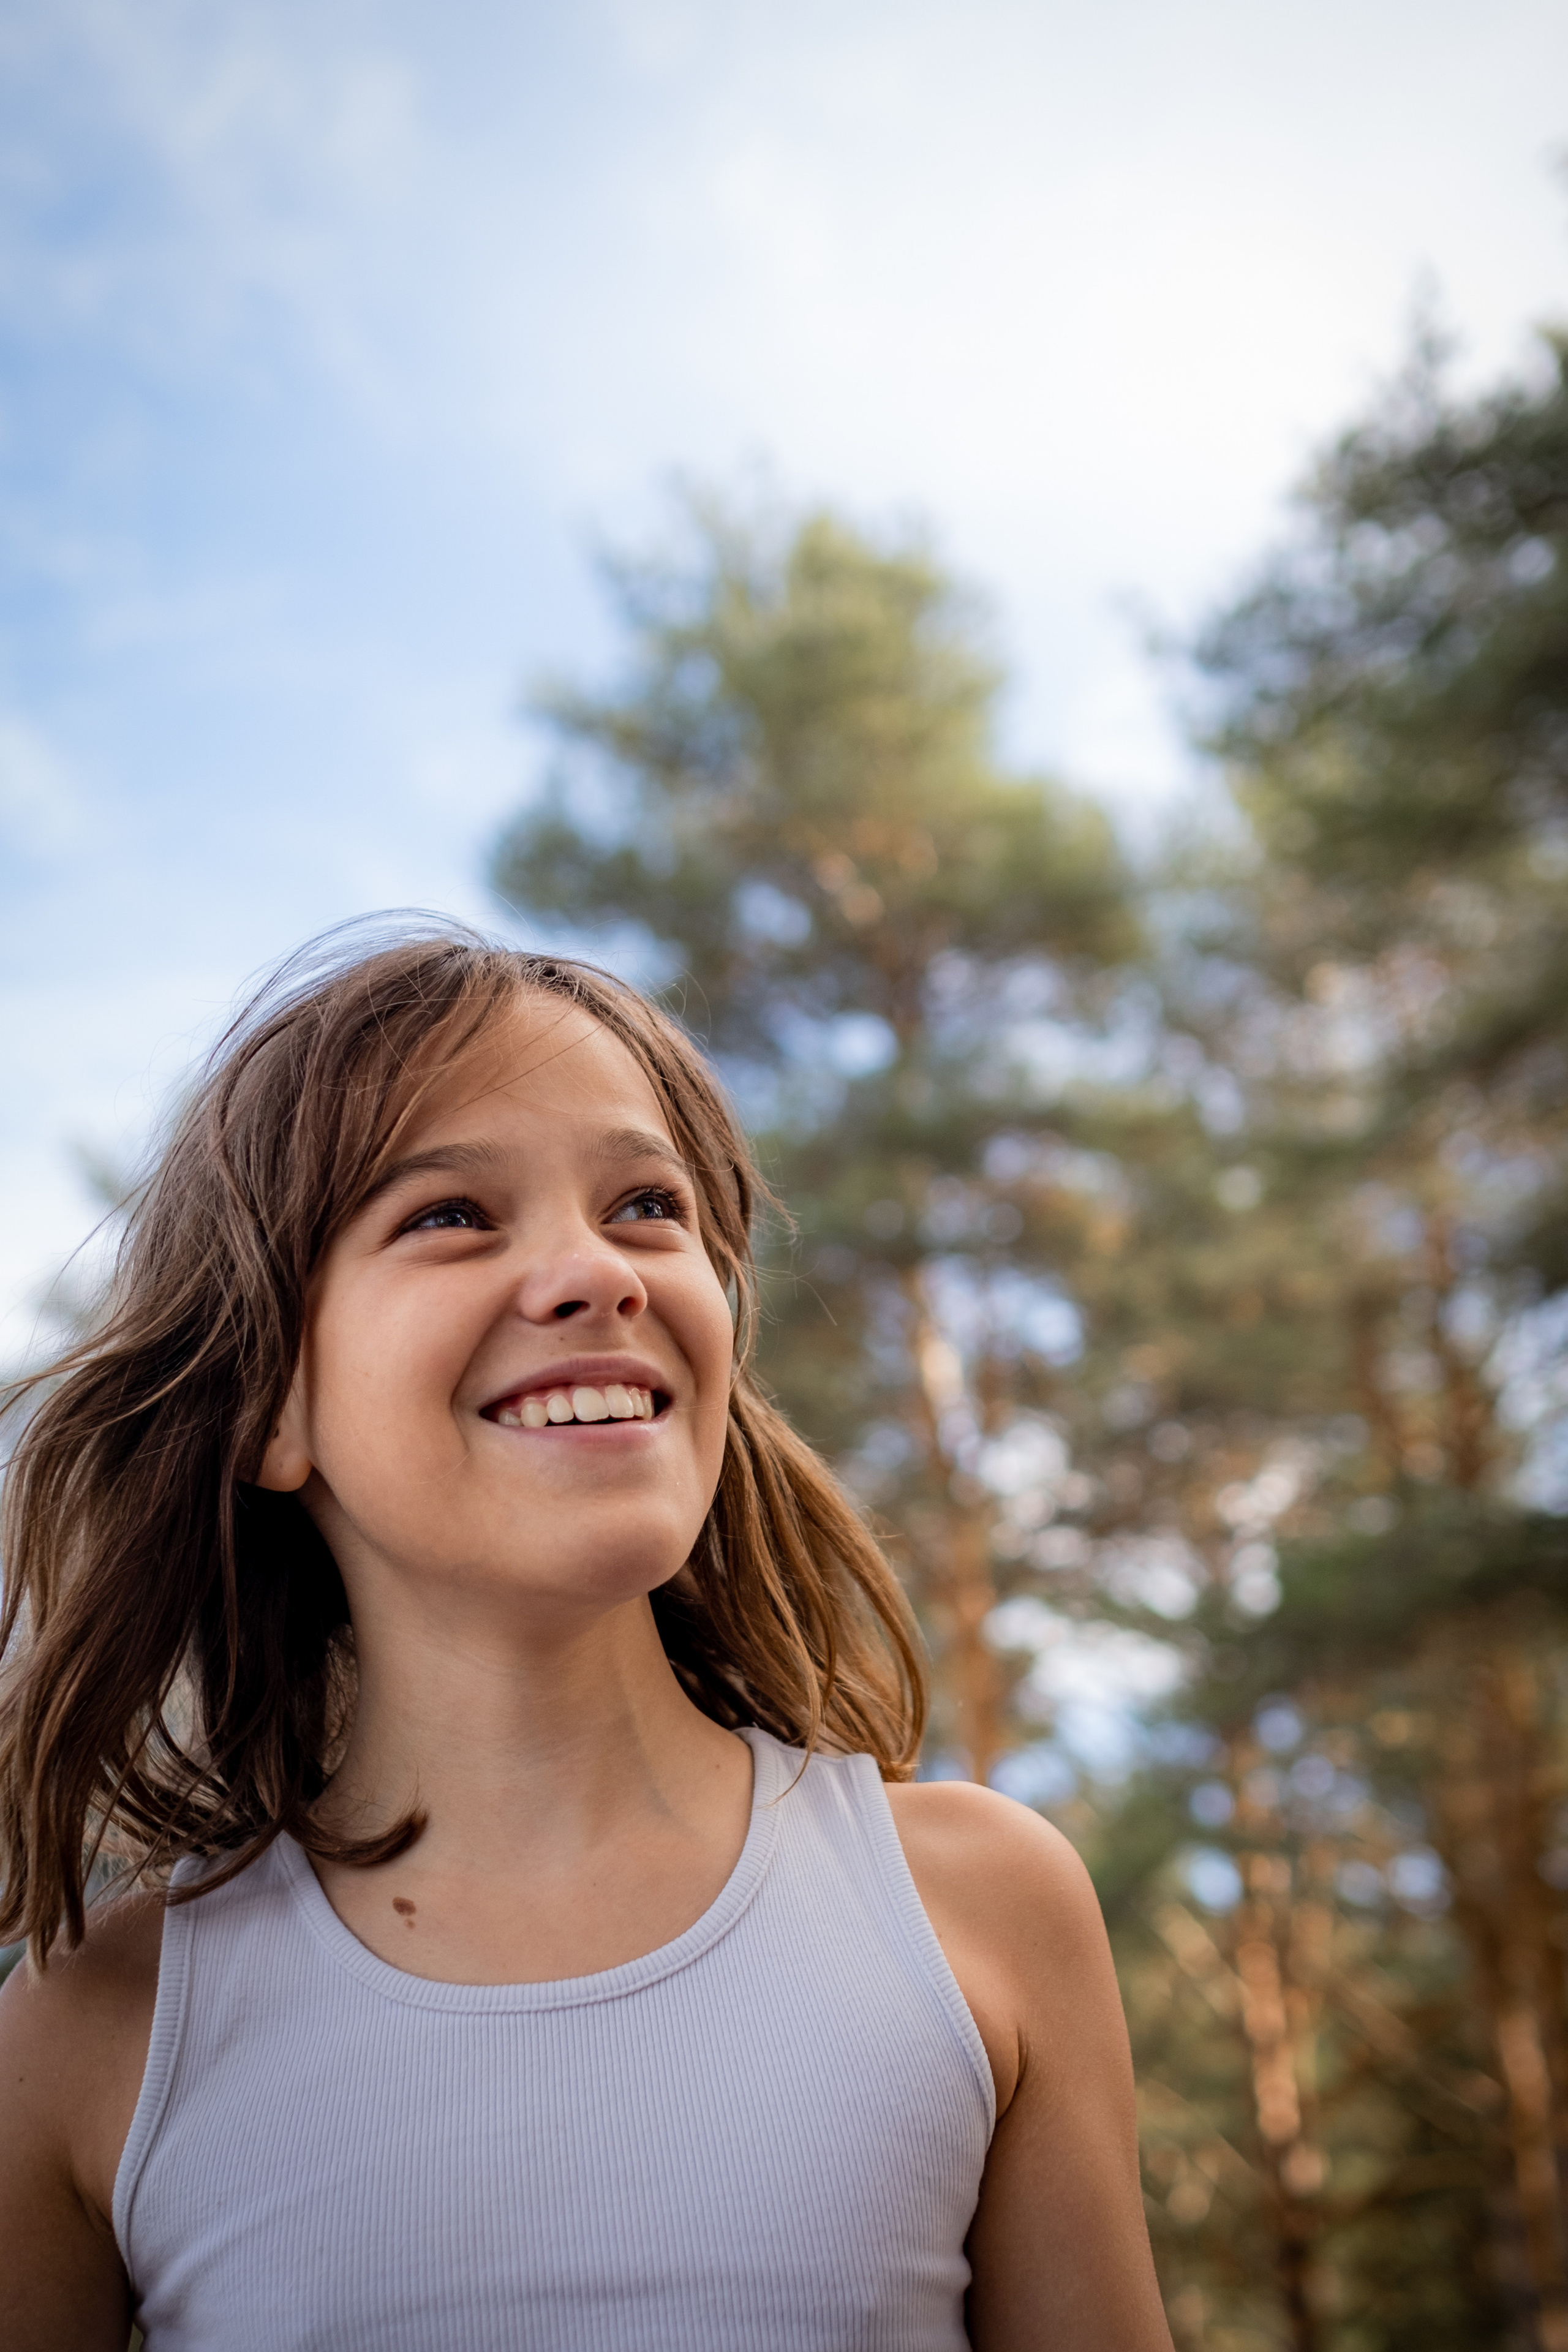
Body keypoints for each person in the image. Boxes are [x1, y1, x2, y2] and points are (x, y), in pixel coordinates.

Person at [0, 925, 1174, 2351]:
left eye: (644, 1206)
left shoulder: (983, 1910)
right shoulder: (92, 2037)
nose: (594, 1272)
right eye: (449, 1216)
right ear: (268, 1407)